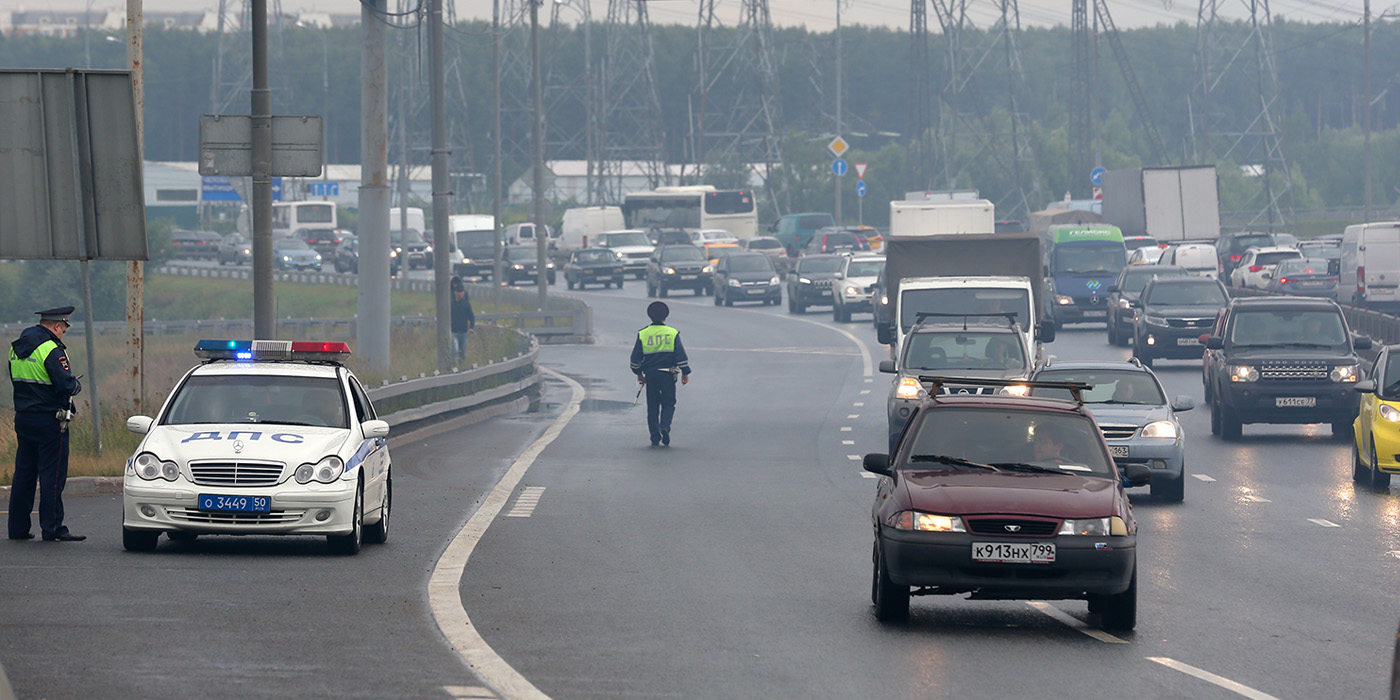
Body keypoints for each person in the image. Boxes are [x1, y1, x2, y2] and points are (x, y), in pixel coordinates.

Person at [8, 306, 84, 542]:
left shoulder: (16, 348)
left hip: (24, 417)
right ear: (56, 325)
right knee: (52, 476)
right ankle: (53, 529)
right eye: (63, 328)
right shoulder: (51, 349)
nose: (63, 333)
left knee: (24, 474)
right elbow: (65, 384)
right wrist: (75, 386)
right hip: (50, 421)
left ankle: (18, 529)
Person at [629, 301, 692, 447]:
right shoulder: (672, 333)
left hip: (651, 375)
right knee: (669, 402)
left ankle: (654, 436)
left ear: (649, 316)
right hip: (668, 374)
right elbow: (680, 356)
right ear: (666, 316)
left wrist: (638, 373)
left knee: (653, 405)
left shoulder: (643, 333)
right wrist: (685, 373)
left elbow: (635, 359)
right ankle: (665, 426)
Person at [450, 275, 476, 364]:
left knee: (462, 351)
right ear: (455, 293)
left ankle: (462, 367)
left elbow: (471, 316)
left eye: (461, 292)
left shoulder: (466, 304)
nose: (460, 293)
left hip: (463, 331)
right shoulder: (450, 304)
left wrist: (471, 327)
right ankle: (454, 367)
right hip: (453, 331)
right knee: (454, 350)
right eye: (458, 291)